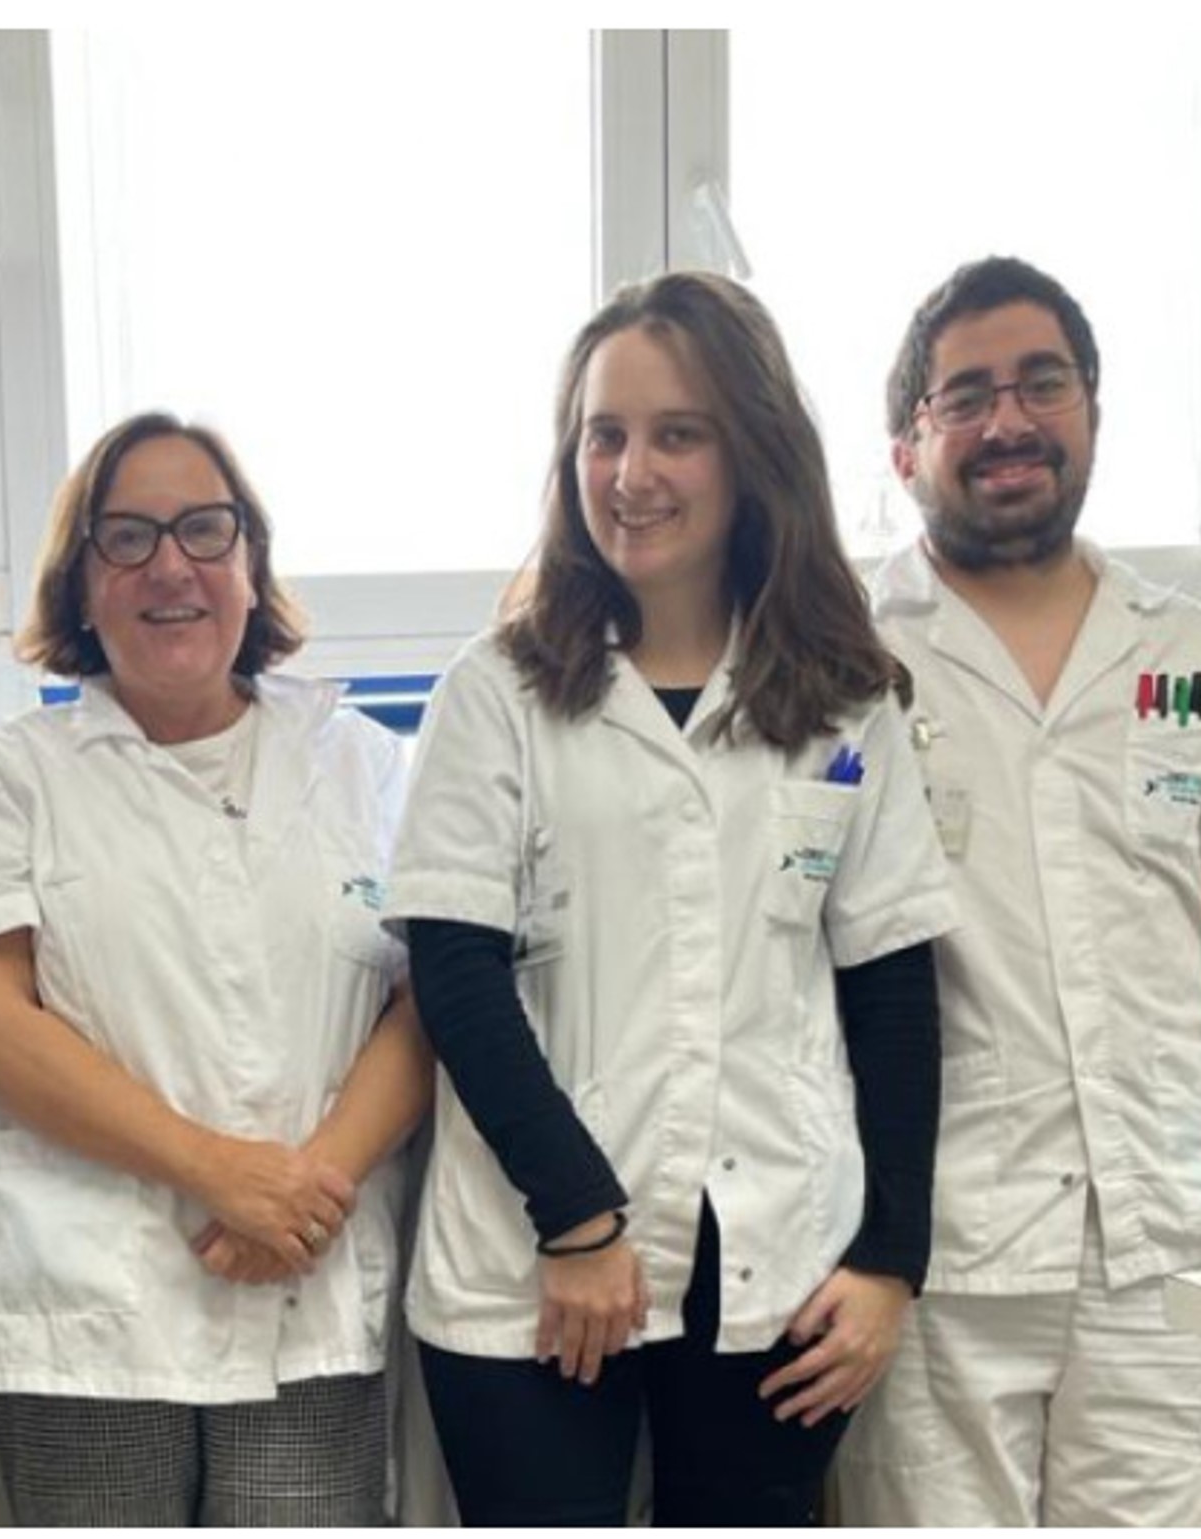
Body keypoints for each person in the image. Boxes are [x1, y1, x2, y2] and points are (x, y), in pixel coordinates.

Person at [384, 270, 956, 1526]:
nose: (631, 474)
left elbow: (892, 992)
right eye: (605, 436)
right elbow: (457, 974)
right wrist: (580, 1220)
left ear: (753, 454)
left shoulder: (846, 700)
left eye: (676, 434)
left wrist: (892, 1261)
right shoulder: (498, 691)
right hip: (532, 1255)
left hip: (779, 1253)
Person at [0, 412, 433, 1525]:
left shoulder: (365, 767)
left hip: (307, 1290)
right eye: (128, 538)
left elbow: (424, 1003)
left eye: (204, 530)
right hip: (91, 1312)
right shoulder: (4, 781)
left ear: (251, 561)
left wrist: (306, 1191)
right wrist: (219, 1171)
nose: (171, 567)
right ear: (79, 583)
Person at [844, 256, 1201, 1527]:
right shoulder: (850, 655)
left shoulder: (1188, 650)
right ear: (907, 445)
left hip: (1182, 1239)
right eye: (967, 397)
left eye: (1043, 384)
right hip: (940, 1255)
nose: (1010, 421)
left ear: (1091, 409)